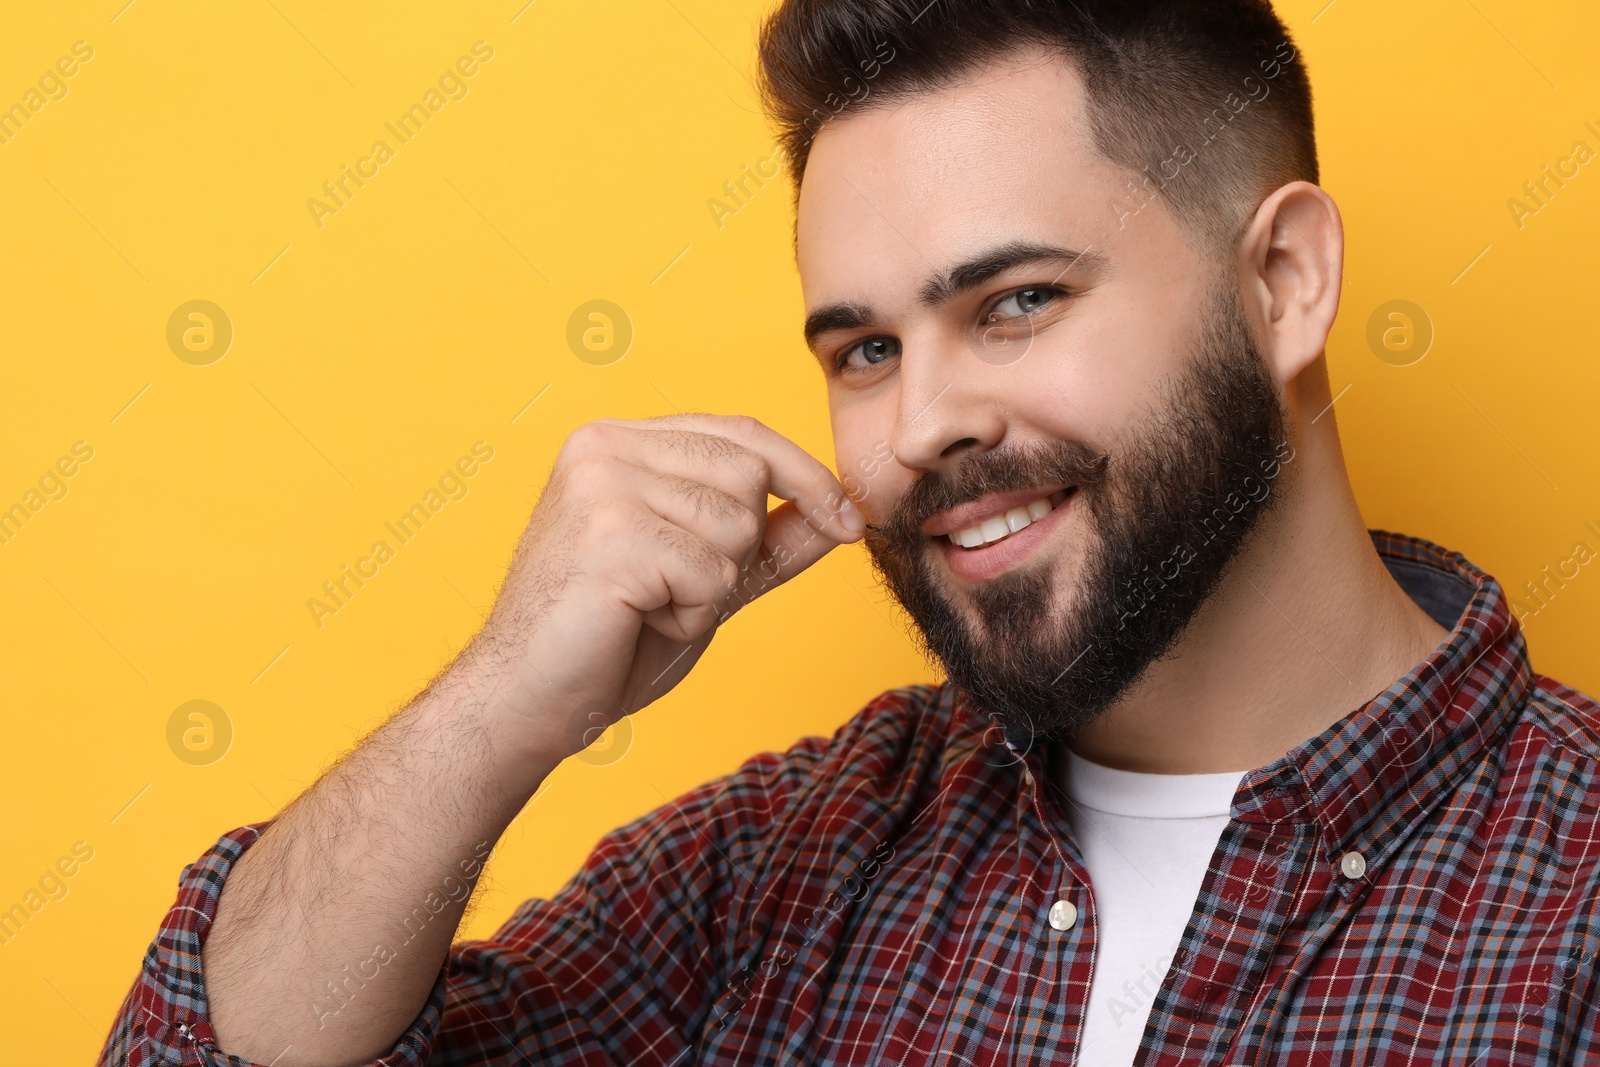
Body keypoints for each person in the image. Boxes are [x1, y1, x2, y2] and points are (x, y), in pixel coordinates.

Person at [99, 1, 1600, 1064]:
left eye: (1014, 302)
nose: (919, 426)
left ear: (1280, 283)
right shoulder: (782, 869)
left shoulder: (1572, 891)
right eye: (863, 351)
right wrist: (505, 698)